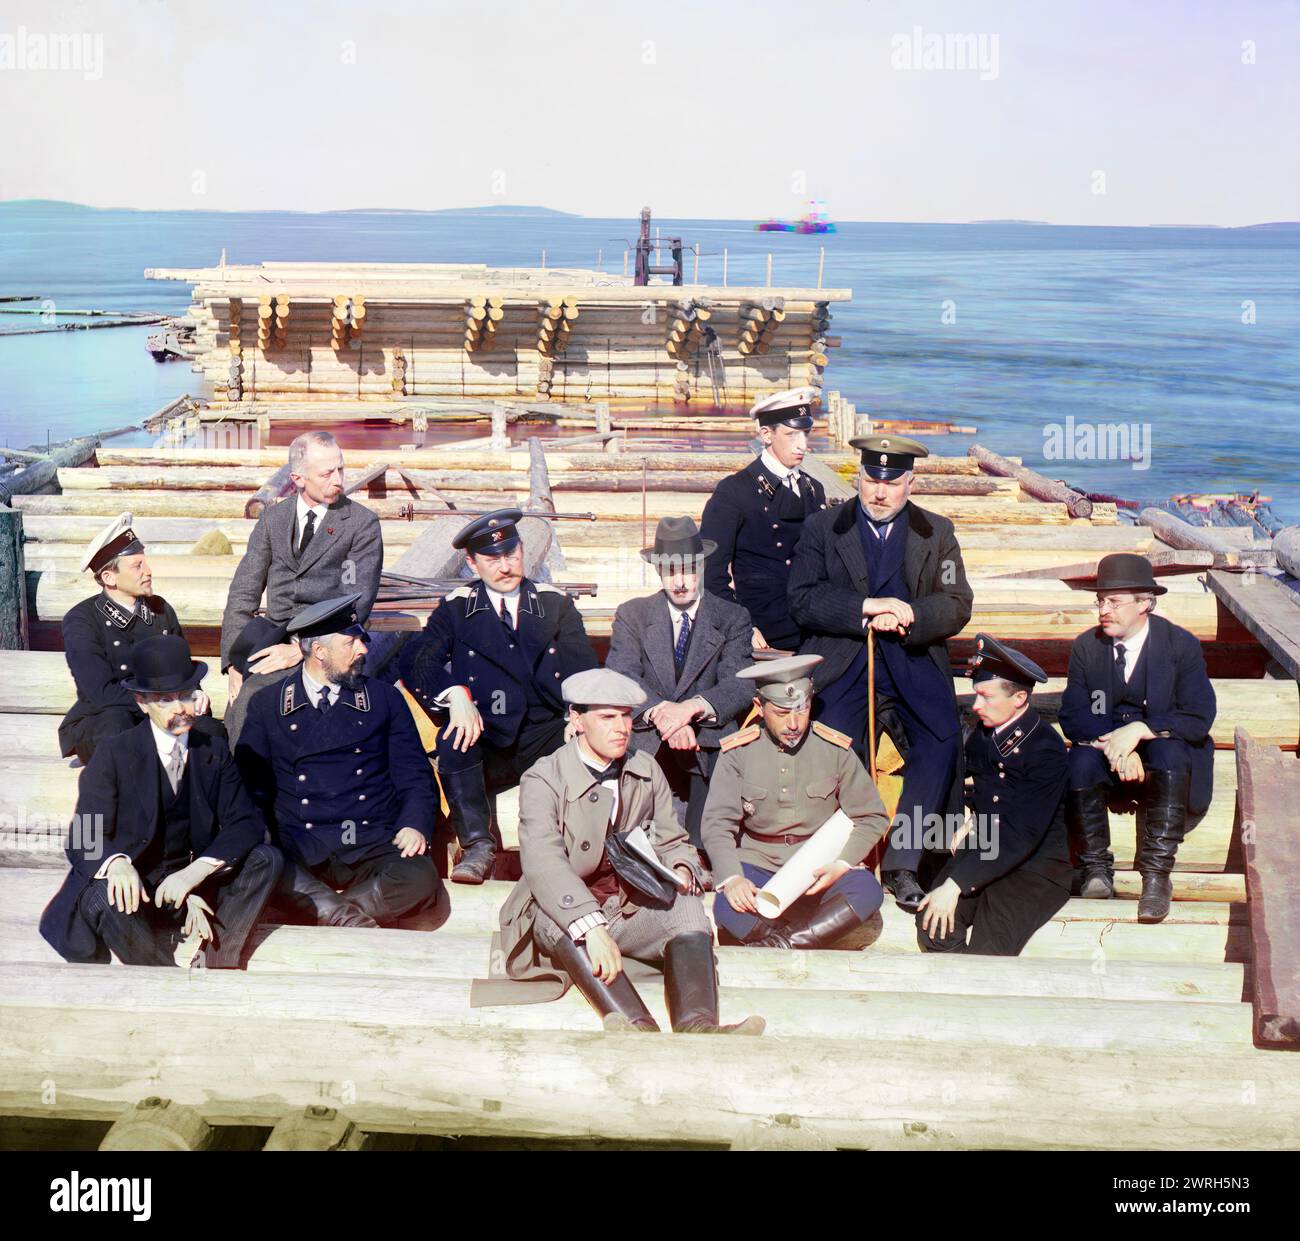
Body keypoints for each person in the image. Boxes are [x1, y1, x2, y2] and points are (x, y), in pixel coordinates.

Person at [492, 668, 763, 1034]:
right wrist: (592, 929)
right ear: (577, 719)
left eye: (625, 716)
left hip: (627, 903)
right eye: (607, 717)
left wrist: (681, 867)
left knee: (686, 909)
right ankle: (637, 1030)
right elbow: (544, 863)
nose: (621, 727)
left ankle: (698, 1028)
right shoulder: (544, 777)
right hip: (560, 905)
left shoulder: (644, 767)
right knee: (556, 918)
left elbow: (672, 837)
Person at [788, 434, 973, 913]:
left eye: (891, 483)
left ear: (910, 482)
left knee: (940, 742)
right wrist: (867, 607)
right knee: (836, 749)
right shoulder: (823, 528)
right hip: (845, 663)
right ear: (858, 478)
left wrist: (908, 614)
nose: (879, 492)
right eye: (871, 480)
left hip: (913, 662)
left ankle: (902, 864)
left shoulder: (939, 533)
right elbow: (803, 598)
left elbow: (956, 603)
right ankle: (836, 860)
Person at [40, 635, 281, 967]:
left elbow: (247, 821)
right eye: (166, 700)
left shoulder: (212, 750)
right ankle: (161, 974)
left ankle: (218, 960)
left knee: (266, 858)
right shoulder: (114, 754)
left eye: (186, 696)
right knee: (104, 894)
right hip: (136, 889)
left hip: (189, 883)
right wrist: (117, 863)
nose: (180, 709)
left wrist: (194, 875)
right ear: (142, 703)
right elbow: (84, 835)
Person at [398, 508, 598, 884]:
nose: (504, 567)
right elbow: (416, 660)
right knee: (453, 738)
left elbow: (582, 668)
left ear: (522, 551)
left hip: (547, 735)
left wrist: (579, 714)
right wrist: (454, 693)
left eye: (511, 554)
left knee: (594, 742)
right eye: (492, 559)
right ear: (473, 564)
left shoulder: (555, 604)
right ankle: (477, 845)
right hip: (487, 737)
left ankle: (589, 855)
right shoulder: (457, 608)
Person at [236, 595, 444, 929]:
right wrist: (264, 840)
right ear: (319, 652)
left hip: (371, 839)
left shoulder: (383, 698)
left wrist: (414, 823)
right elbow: (251, 788)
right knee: (265, 865)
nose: (363, 649)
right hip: (301, 844)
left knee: (420, 877)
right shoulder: (267, 704)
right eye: (352, 642)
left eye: (362, 640)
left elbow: (414, 774)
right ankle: (343, 917)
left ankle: (327, 914)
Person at [1059, 554, 1217, 922]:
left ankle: (1156, 877)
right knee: (1079, 761)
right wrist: (1116, 744)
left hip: (1165, 757)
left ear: (1145, 603)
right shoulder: (1087, 647)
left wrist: (1141, 730)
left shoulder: (1180, 646)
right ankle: (1096, 869)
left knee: (1170, 753)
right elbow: (1074, 714)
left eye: (1114, 601)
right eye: (1100, 601)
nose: (1103, 610)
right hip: (1109, 759)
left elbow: (1198, 715)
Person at [701, 655, 889, 948]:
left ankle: (784, 943)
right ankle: (804, 938)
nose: (793, 723)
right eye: (781, 712)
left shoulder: (835, 750)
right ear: (759, 707)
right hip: (758, 865)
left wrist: (843, 863)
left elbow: (872, 816)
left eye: (802, 710)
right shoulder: (737, 753)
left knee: (867, 892)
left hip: (818, 869)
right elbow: (717, 824)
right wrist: (733, 877)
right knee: (727, 907)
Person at [219, 430, 383, 744]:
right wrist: (232, 663)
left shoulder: (360, 524)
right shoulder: (273, 519)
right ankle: (237, 786)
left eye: (341, 469)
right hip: (269, 635)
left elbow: (355, 604)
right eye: (327, 473)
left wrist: (300, 648)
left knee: (256, 697)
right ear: (297, 478)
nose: (338, 479)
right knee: (237, 703)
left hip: (327, 641)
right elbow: (243, 591)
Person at [915, 634, 1072, 956]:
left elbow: (1021, 833)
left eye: (986, 697)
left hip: (1034, 867)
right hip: (986, 848)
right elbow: (984, 791)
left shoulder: (1045, 748)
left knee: (989, 949)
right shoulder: (985, 737)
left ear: (1018, 698)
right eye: (976, 696)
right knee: (932, 925)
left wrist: (955, 885)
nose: (976, 706)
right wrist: (968, 817)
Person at [605, 515, 755, 850]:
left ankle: (705, 850)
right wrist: (665, 715)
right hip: (647, 739)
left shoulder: (732, 617)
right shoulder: (634, 614)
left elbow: (739, 684)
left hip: (707, 740)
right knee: (636, 838)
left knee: (707, 839)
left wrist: (689, 710)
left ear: (701, 567)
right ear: (659, 571)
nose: (681, 581)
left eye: (688, 569)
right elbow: (622, 674)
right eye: (671, 571)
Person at [58, 512, 221, 763]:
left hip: (167, 710)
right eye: (137, 566)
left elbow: (184, 671)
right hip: (107, 717)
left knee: (214, 735)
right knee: (120, 732)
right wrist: (162, 705)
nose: (148, 571)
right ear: (108, 577)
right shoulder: (82, 620)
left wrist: (195, 695)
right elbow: (101, 693)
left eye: (145, 563)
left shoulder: (160, 609)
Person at [699, 386, 827, 652]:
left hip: (814, 625)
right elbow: (710, 574)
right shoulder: (735, 491)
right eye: (791, 434)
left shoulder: (813, 488)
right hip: (763, 631)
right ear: (766, 434)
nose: (802, 444)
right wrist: (739, 625)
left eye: (806, 432)